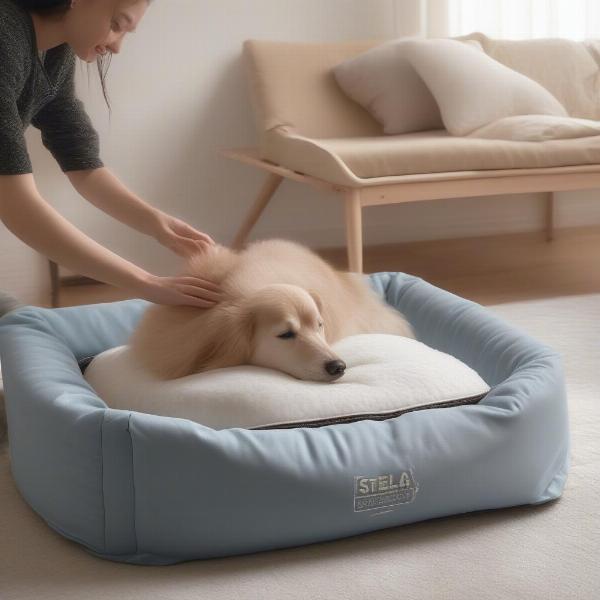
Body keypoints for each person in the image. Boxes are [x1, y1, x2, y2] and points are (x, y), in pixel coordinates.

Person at [0, 0, 223, 308]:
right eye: (117, 25)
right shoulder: (5, 37)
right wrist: (147, 284)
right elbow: (17, 204)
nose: (117, 47)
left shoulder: (55, 52)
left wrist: (157, 224)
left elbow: (83, 164)